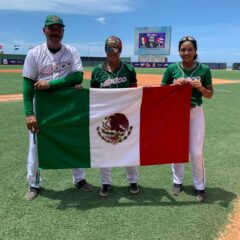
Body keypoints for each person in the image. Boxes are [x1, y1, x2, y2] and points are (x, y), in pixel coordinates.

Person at [22, 15, 92, 201]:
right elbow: (27, 85)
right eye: (51, 28)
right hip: (43, 108)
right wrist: (29, 113)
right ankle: (34, 184)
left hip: (68, 106)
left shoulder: (72, 51)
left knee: (74, 140)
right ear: (44, 31)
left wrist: (51, 84)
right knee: (35, 146)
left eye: (59, 28)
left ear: (63, 31)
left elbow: (78, 77)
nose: (55, 32)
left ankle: (79, 179)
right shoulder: (34, 54)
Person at [161, 36, 213, 203]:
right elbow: (161, 93)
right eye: (183, 49)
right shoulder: (172, 69)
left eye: (190, 49)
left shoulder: (204, 69)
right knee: (177, 149)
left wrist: (201, 88)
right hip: (176, 113)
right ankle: (178, 181)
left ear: (195, 51)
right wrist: (173, 85)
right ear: (179, 51)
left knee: (196, 152)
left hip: (195, 112)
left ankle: (200, 186)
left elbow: (210, 95)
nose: (186, 52)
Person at [90, 36, 139, 197]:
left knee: (128, 145)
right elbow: (93, 95)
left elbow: (134, 93)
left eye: (116, 49)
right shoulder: (97, 71)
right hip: (105, 116)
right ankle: (105, 183)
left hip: (126, 114)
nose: (113, 52)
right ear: (105, 50)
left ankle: (133, 180)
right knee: (105, 147)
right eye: (110, 49)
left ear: (120, 50)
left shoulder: (129, 69)